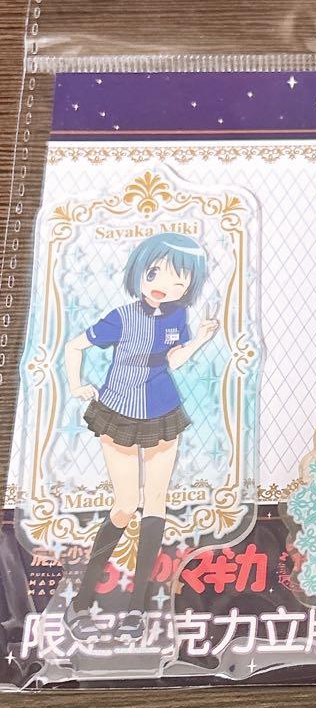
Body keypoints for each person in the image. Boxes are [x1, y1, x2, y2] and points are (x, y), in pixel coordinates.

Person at [62, 232, 218, 640]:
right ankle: (81, 602)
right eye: (155, 273)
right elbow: (75, 346)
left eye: (179, 281)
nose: (165, 285)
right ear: (139, 271)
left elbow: (173, 359)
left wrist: (201, 338)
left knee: (155, 506)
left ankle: (137, 608)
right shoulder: (121, 316)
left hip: (164, 411)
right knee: (125, 505)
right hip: (118, 411)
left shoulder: (177, 316)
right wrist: (77, 385)